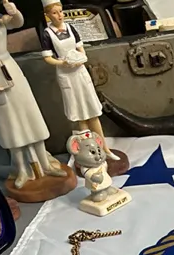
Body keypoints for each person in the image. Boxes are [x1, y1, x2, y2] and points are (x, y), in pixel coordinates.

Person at [0, 0, 65, 189]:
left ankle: (44, 163)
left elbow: (14, 24)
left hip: (11, 67)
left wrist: (14, 12)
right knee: (10, 122)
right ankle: (21, 168)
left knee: (29, 113)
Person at [40, 0, 115, 160]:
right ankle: (90, 152)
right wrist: (63, 63)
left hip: (80, 71)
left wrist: (81, 57)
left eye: (60, 11)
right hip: (67, 75)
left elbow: (80, 47)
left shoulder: (70, 28)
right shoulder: (47, 34)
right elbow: (47, 58)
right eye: (54, 13)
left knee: (92, 110)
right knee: (79, 114)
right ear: (48, 15)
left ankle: (105, 148)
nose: (59, 15)